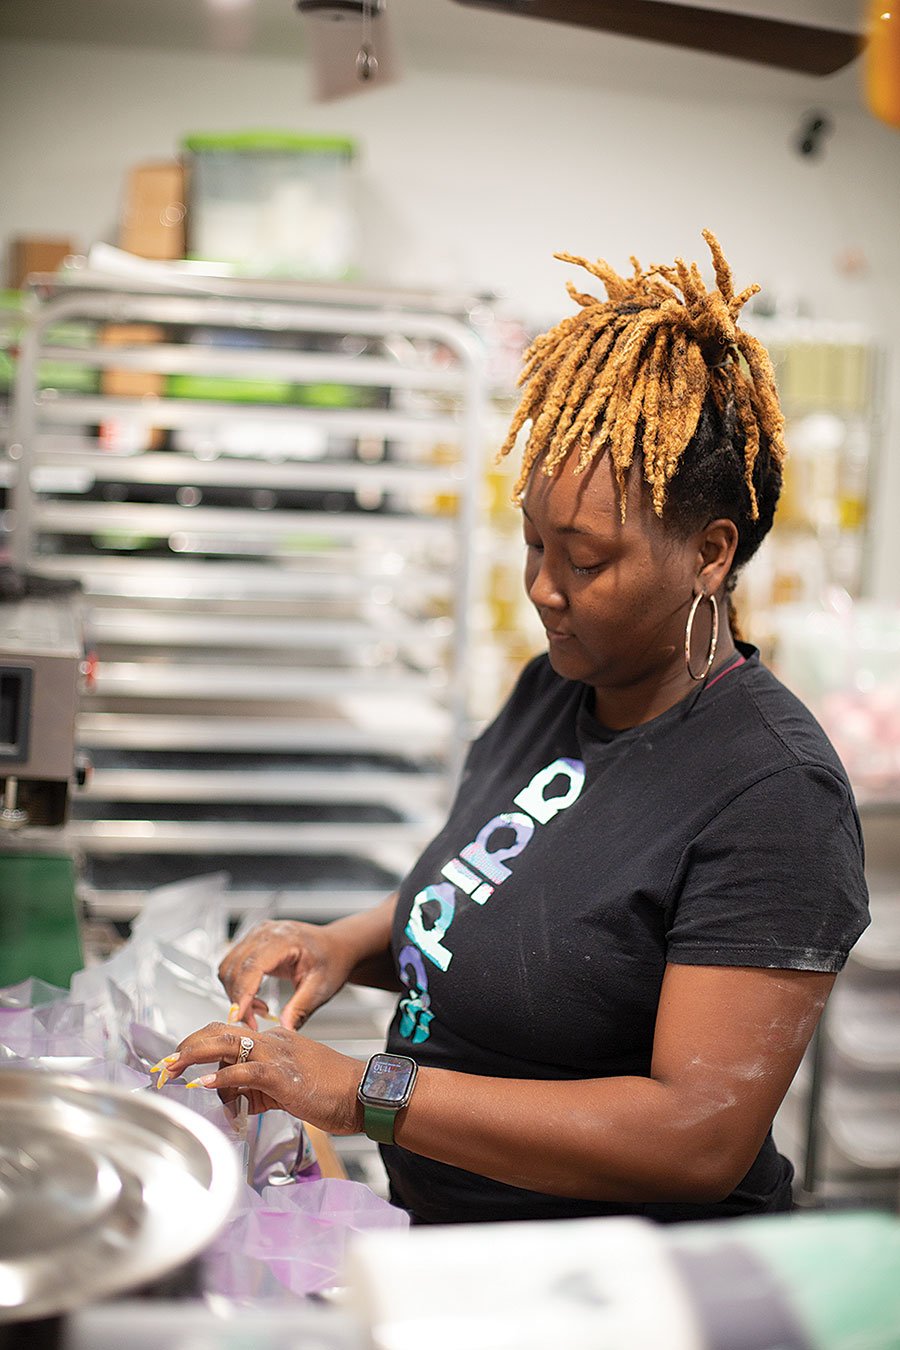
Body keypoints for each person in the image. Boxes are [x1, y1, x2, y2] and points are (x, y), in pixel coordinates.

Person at [162, 231, 869, 1225]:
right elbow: (492, 897)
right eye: (533, 542)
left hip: (629, 1276)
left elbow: (696, 1136)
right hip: (459, 1240)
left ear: (710, 554)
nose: (542, 587)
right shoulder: (558, 688)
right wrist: (340, 944)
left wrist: (365, 1092)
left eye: (585, 560)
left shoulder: (772, 793)